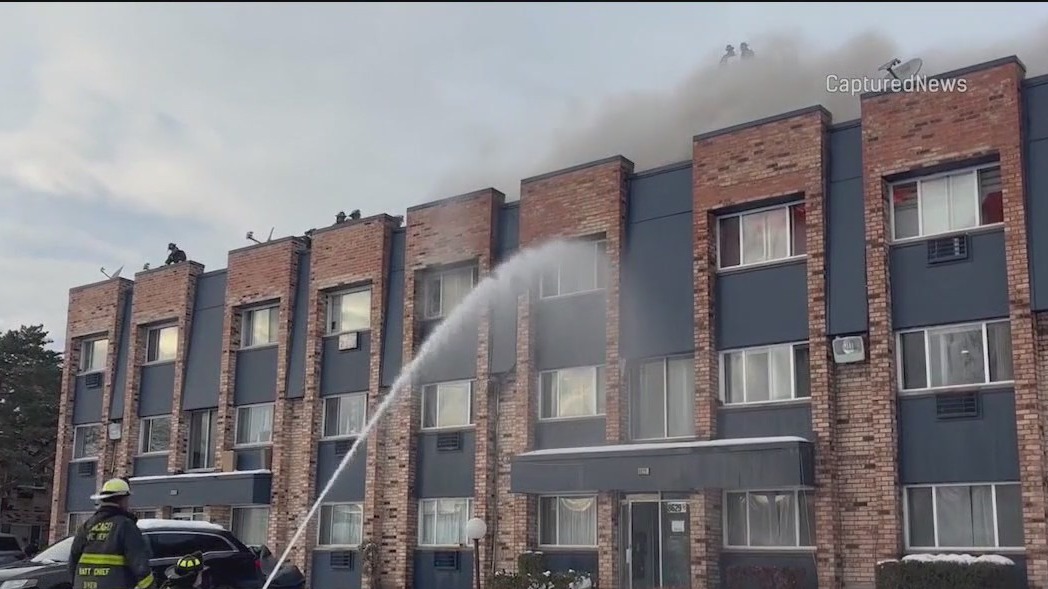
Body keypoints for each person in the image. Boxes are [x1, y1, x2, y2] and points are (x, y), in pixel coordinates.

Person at [69, 478, 155, 589]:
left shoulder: (87, 525)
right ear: (123, 500)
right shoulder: (125, 525)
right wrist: (150, 586)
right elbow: (140, 565)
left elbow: (72, 562)